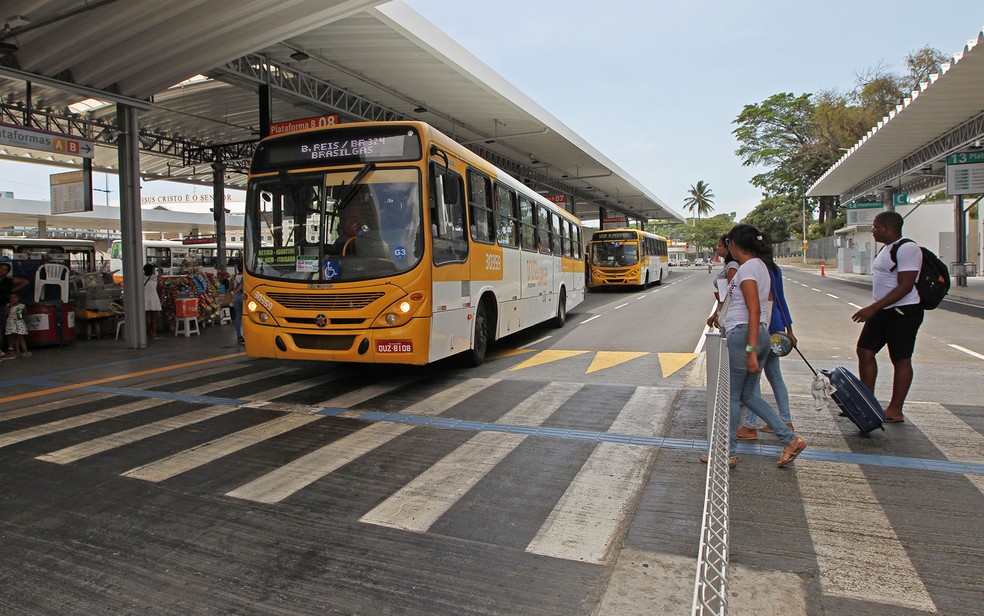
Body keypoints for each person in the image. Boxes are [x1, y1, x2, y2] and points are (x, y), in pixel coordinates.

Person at [703, 224, 806, 469]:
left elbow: (754, 309)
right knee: (748, 395)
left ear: (734, 245)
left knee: (731, 398)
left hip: (743, 335)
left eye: (728, 244)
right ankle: (790, 440)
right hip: (759, 333)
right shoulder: (762, 266)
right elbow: (768, 304)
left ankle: (726, 453)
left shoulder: (747, 269)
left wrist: (750, 348)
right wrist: (760, 337)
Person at [851, 211, 923, 423]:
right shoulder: (886, 249)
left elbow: (905, 287)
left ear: (888, 229)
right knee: (864, 350)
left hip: (903, 312)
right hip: (883, 311)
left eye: (875, 227)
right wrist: (876, 309)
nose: (872, 231)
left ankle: (895, 409)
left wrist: (872, 308)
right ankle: (867, 401)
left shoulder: (908, 248)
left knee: (900, 358)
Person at [737, 255, 797, 440]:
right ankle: (786, 420)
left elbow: (764, 303)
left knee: (752, 381)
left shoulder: (755, 268)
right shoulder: (774, 268)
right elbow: (781, 300)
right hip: (776, 327)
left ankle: (749, 425)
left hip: (762, 328)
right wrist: (789, 329)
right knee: (775, 377)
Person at [706, 235, 738, 329]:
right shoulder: (727, 265)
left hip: (729, 316)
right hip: (724, 313)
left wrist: (720, 313)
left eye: (719, 246)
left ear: (727, 248)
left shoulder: (732, 266)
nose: (717, 248)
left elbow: (729, 295)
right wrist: (716, 313)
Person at [0, 261, 29, 359]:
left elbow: (25, 282)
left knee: (3, 329)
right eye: (1, 269)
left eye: (4, 270)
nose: (2, 271)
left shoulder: (8, 281)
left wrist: (13, 290)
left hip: (2, 305)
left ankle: (8, 349)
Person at [4, 292, 30, 358]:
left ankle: (25, 351)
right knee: (15, 338)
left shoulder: (21, 306)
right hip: (11, 323)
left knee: (21, 337)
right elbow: (6, 313)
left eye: (15, 298)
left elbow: (25, 314)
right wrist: (9, 307)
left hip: (19, 323)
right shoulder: (8, 305)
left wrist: (22, 316)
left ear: (18, 298)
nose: (13, 299)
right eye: (11, 298)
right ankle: (17, 352)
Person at [143, 263, 162, 339]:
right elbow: (159, 288)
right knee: (155, 317)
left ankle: (148, 333)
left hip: (145, 298)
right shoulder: (154, 278)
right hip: (154, 298)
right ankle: (154, 333)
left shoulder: (142, 278)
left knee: (148, 316)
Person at [231, 263, 244, 344]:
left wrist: (234, 293)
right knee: (246, 317)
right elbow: (242, 286)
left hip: (235, 298)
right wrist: (237, 291)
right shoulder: (245, 276)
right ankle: (246, 335)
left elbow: (230, 288)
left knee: (238, 316)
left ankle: (239, 335)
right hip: (243, 296)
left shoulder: (234, 277)